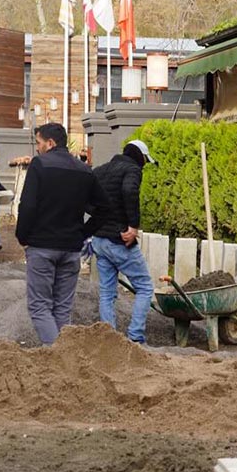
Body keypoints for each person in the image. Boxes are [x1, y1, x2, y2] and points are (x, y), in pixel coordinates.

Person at [15, 123, 109, 345]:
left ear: (50, 143)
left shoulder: (40, 165)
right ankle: (63, 358)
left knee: (39, 306)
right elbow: (105, 208)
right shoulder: (84, 170)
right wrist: (83, 233)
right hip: (70, 249)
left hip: (42, 246)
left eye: (39, 143)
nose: (37, 148)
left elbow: (27, 206)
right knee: (62, 308)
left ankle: (56, 355)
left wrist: (23, 236)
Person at [90, 139, 157, 344]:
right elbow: (129, 191)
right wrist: (132, 226)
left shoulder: (101, 170)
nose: (144, 165)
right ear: (140, 157)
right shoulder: (132, 169)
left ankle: (110, 341)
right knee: (145, 287)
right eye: (145, 161)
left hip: (99, 241)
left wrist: (98, 220)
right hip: (120, 241)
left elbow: (86, 197)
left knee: (107, 292)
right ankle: (135, 338)